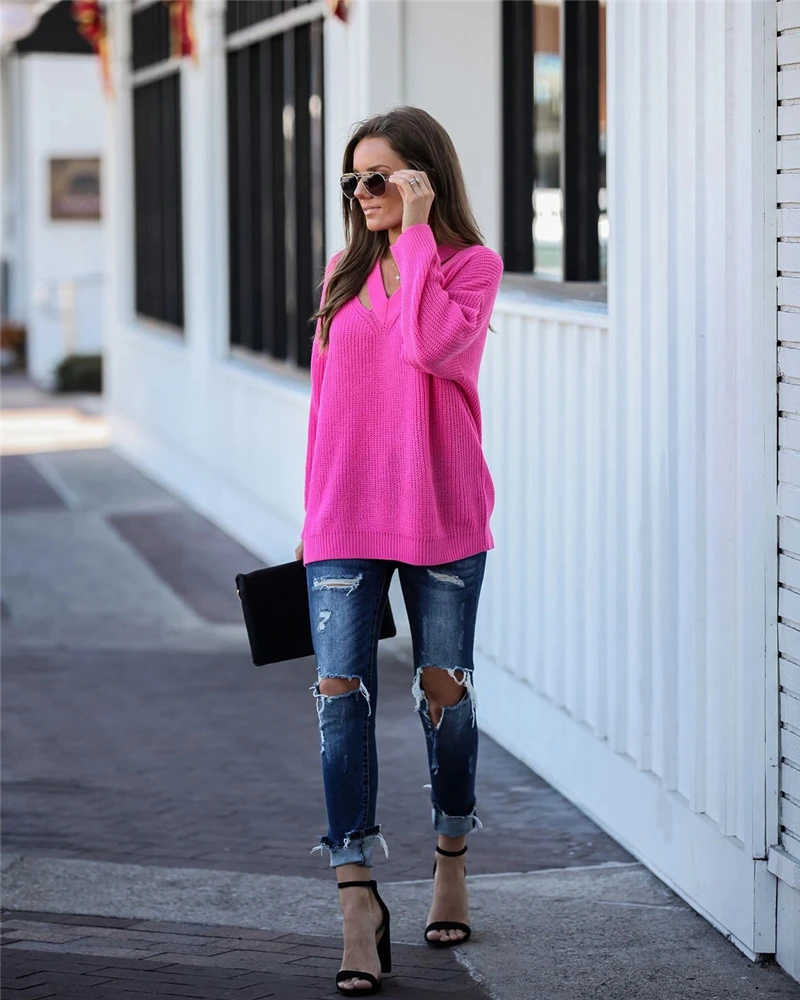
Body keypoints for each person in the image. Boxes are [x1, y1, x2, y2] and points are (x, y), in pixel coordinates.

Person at [295, 105, 503, 996]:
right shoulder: (341, 270)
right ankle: (357, 900)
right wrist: (311, 515)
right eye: (354, 178)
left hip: (441, 510)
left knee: (443, 695)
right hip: (344, 515)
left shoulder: (470, 266)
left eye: (377, 176)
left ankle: (450, 855)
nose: (361, 193)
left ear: (423, 177)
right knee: (339, 699)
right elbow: (324, 401)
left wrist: (416, 234)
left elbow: (430, 346)